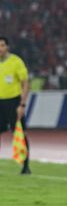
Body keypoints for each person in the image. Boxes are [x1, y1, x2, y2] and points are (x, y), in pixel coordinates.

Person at [0, 36, 31, 174]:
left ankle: (25, 166)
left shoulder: (16, 62)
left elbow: (25, 83)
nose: (0, 49)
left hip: (13, 102)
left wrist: (22, 104)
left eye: (2, 45)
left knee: (20, 132)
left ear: (7, 47)